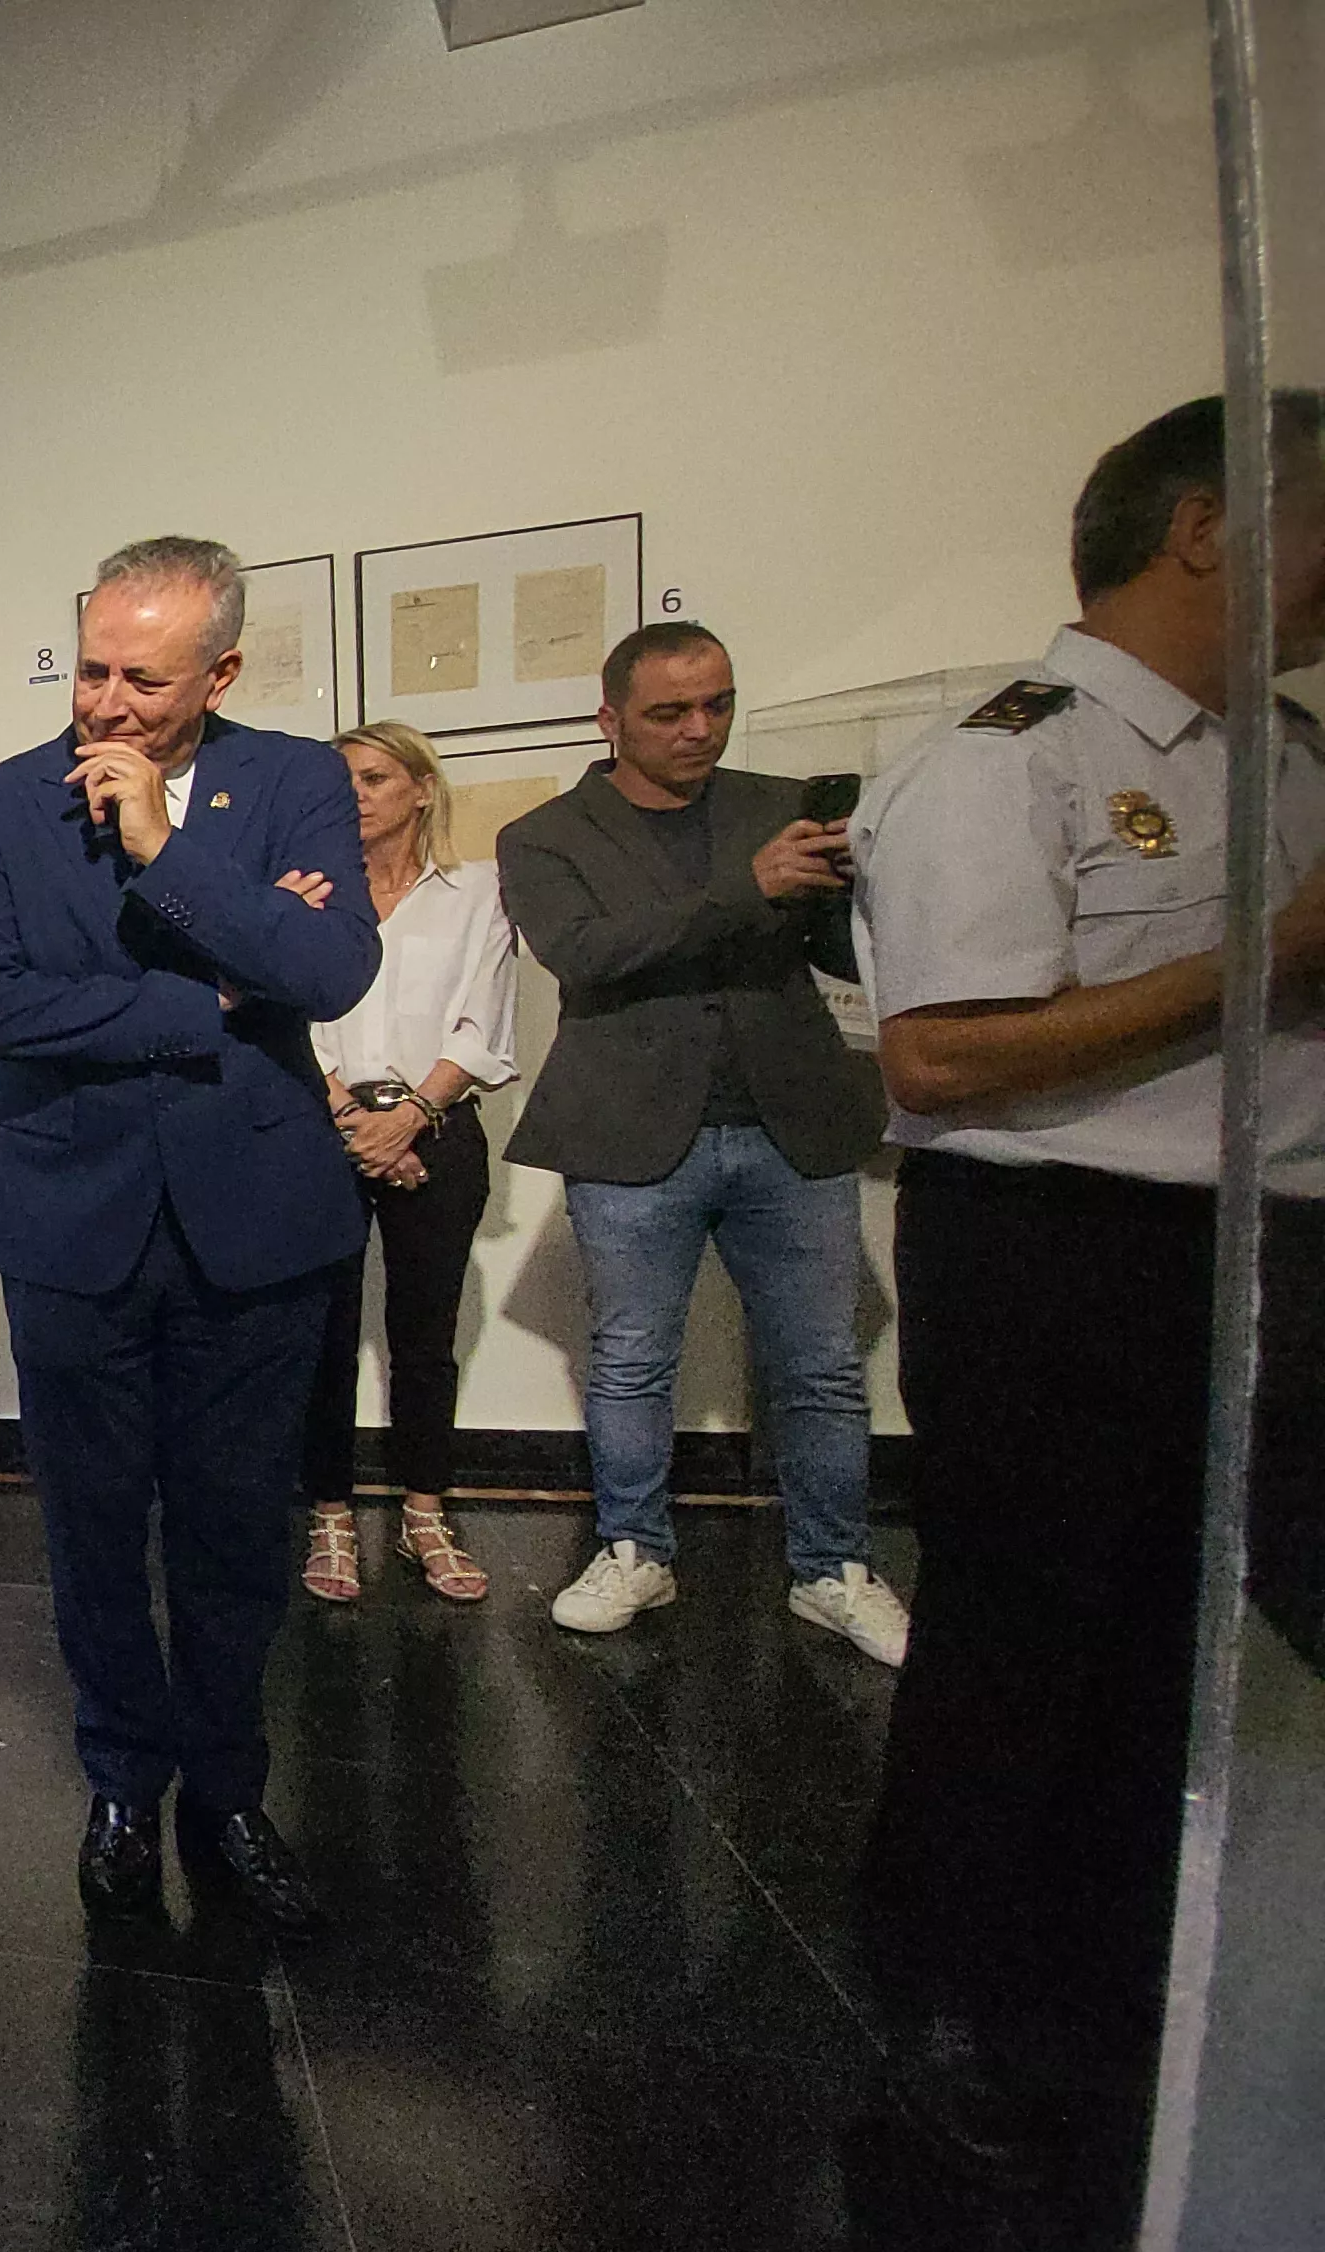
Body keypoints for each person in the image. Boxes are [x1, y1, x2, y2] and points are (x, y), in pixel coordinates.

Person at [849, 391, 1325, 2214]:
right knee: (1030, 1634)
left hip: (1268, 1242)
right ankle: (952, 1989)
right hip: (1071, 1239)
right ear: (1203, 527)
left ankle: (1127, 1970)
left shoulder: (1283, 752)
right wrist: (1270, 962)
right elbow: (947, 1053)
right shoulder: (1009, 760)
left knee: (1189, 1655)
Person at [0, 536, 376, 1939]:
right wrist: (219, 1004)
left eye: (142, 676)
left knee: (240, 1532)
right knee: (93, 1531)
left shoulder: (297, 780)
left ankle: (227, 1790)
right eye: (92, 665)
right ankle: (122, 1780)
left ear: (222, 673)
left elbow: (331, 968)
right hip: (69, 1225)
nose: (105, 701)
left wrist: (169, 856)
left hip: (260, 1220)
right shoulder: (0, 807)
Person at [497, 622, 908, 1663]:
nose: (699, 728)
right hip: (632, 1130)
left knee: (819, 1365)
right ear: (610, 718)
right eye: (669, 711)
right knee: (632, 1359)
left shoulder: (780, 805)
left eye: (716, 703)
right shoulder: (544, 834)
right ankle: (635, 1546)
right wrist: (747, 890)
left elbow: (839, 951)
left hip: (790, 1118)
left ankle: (832, 1568)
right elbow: (584, 951)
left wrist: (865, 883)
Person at [298, 722, 518, 1606]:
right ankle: (331, 1514)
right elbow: (294, 1017)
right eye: (341, 780)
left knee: (426, 1340)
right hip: (329, 1128)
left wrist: (412, 1118)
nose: (355, 794)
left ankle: (426, 1509)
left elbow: (483, 1020)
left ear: (422, 789)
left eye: (375, 776)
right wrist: (353, 1119)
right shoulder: (312, 895)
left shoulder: (478, 892)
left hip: (438, 1126)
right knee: (324, 1337)